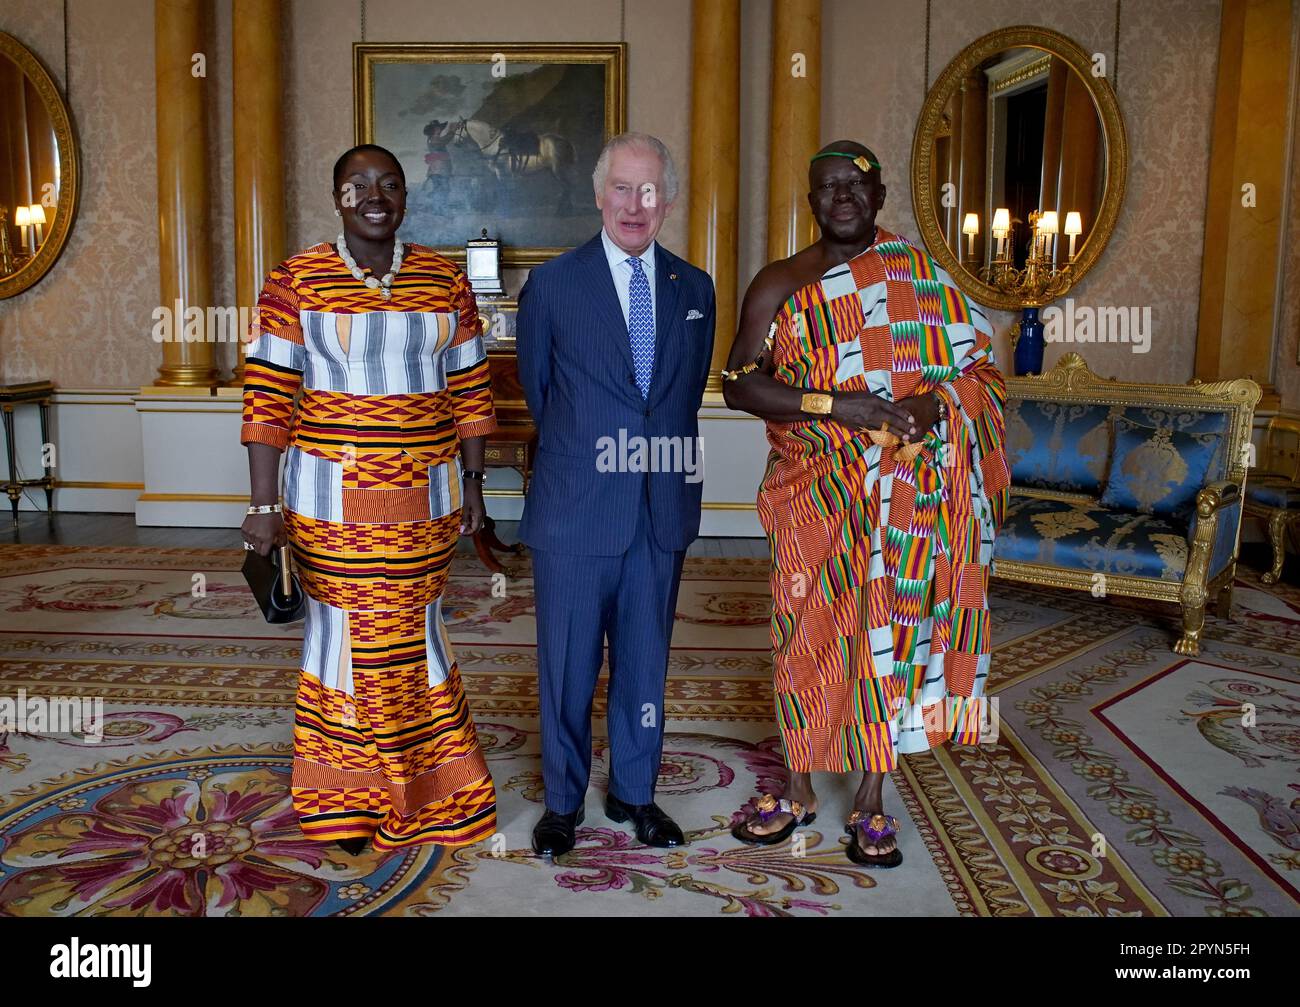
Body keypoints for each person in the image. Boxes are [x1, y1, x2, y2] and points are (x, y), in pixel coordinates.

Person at [721, 140, 1009, 867]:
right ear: (810, 200)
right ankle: (798, 784)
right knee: (805, 634)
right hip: (813, 492)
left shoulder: (921, 276)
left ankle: (873, 793)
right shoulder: (779, 282)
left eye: (856, 185)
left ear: (879, 196)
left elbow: (978, 373)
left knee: (895, 637)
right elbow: (739, 384)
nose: (842, 196)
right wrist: (839, 406)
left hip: (904, 494)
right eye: (827, 187)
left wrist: (935, 405)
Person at [240, 144, 498, 855]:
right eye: (359, 185)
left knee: (414, 631)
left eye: (388, 183)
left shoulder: (446, 280)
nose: (374, 195)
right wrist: (264, 505)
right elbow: (266, 397)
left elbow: (472, 393)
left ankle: (433, 787)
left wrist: (476, 484)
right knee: (342, 638)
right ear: (338, 199)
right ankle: (343, 796)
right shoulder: (296, 280)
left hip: (428, 504)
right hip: (328, 504)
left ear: (407, 197)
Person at [517, 132, 716, 858]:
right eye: (623, 189)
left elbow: (682, 396)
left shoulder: (694, 289)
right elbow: (540, 391)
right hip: (575, 506)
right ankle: (563, 802)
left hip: (659, 508)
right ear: (599, 195)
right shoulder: (554, 284)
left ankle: (637, 791)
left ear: (669, 200)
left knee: (644, 660)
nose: (636, 204)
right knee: (567, 665)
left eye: (650, 190)